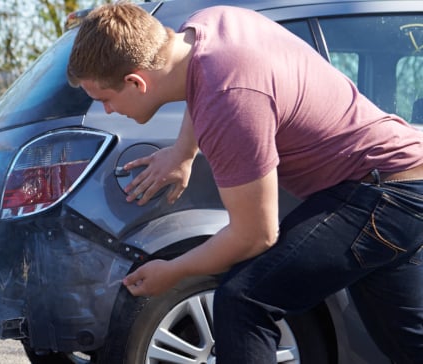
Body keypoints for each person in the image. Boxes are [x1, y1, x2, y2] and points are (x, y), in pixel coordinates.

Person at [67, 2, 423, 363]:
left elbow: (255, 236)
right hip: (403, 180)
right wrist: (183, 150)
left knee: (243, 301)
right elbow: (204, 83)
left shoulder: (228, 98)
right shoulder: (209, 25)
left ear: (136, 82)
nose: (107, 111)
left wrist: (174, 271)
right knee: (408, 344)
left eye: (105, 100)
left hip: (383, 193)